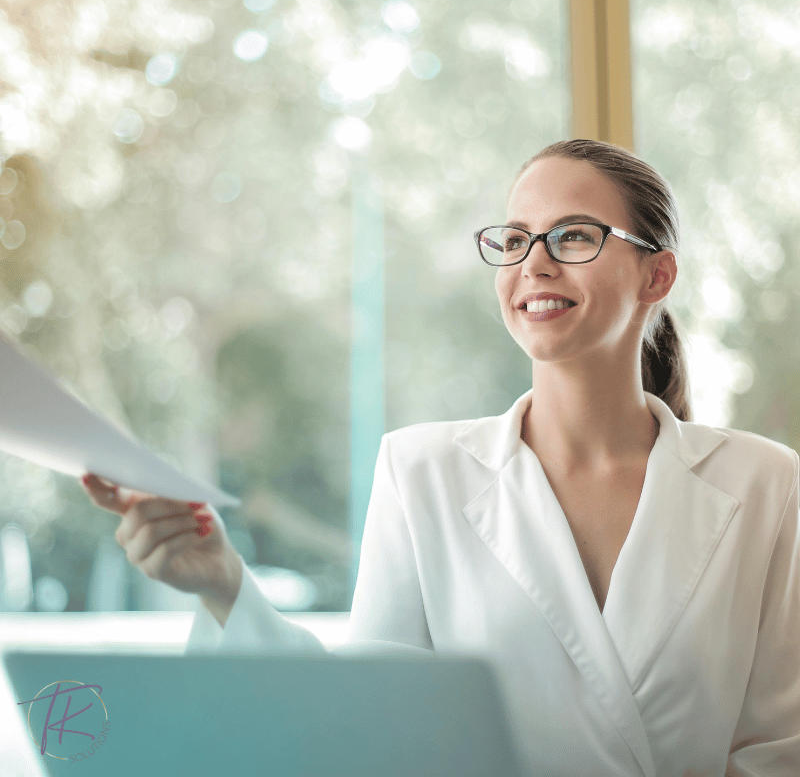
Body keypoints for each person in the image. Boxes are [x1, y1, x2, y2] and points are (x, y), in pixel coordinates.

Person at [82, 139, 800, 777]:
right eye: (515, 239)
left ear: (657, 276)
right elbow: (370, 726)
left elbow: (779, 747)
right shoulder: (421, 470)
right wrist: (223, 586)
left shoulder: (765, 483)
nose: (535, 263)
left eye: (573, 236)